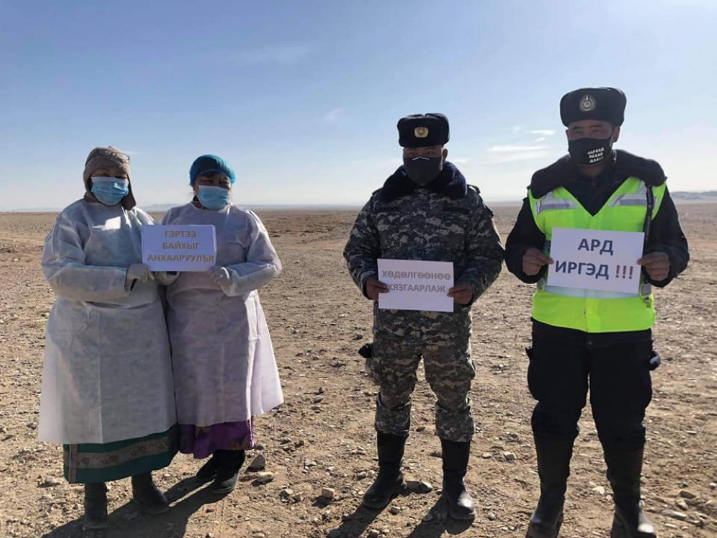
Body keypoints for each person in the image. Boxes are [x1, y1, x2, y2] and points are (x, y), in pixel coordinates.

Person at [505, 88, 689, 538]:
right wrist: (525, 260)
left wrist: (666, 261)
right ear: (566, 133)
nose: (586, 136)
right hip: (557, 328)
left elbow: (675, 243)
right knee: (553, 419)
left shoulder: (648, 182)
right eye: (576, 129)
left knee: (623, 423)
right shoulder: (543, 184)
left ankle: (628, 511)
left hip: (624, 331)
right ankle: (550, 506)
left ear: (615, 131)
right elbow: (517, 245)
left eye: (596, 128)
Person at [343, 114, 504, 520]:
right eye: (413, 151)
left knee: (453, 400)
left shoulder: (466, 201)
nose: (420, 157)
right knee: (391, 396)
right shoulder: (383, 200)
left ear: (443, 152)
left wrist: (471, 284)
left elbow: (489, 254)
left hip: (447, 326)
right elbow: (357, 249)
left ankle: (454, 485)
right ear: (402, 152)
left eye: (429, 151)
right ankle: (388, 476)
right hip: (393, 325)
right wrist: (366, 279)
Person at [39, 147, 178, 530]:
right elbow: (60, 274)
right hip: (91, 335)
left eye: (119, 175)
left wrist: (167, 270)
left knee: (142, 408)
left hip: (142, 334)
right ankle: (94, 493)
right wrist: (123, 276)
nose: (113, 182)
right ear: (88, 177)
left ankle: (143, 483)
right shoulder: (73, 218)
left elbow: (164, 268)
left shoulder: (141, 219)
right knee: (92, 410)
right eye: (104, 174)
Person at [161, 154, 283, 495]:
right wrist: (166, 271)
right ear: (193, 184)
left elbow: (269, 264)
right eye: (208, 180)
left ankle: (232, 459)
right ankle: (214, 454)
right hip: (188, 319)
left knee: (232, 387)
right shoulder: (174, 218)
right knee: (199, 386)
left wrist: (236, 276)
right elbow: (158, 266)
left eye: (223, 183)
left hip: (234, 318)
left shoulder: (244, 219)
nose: (216, 187)